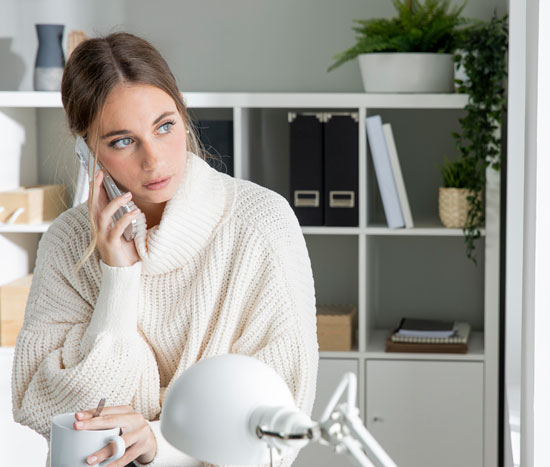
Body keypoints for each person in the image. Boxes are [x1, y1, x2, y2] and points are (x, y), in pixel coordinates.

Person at [11, 31, 319, 467]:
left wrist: (160, 442)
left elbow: (281, 419)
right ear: (87, 151)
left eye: (164, 126)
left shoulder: (261, 225)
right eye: (122, 140)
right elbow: (48, 408)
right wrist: (119, 276)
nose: (154, 160)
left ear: (183, 114)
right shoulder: (67, 241)